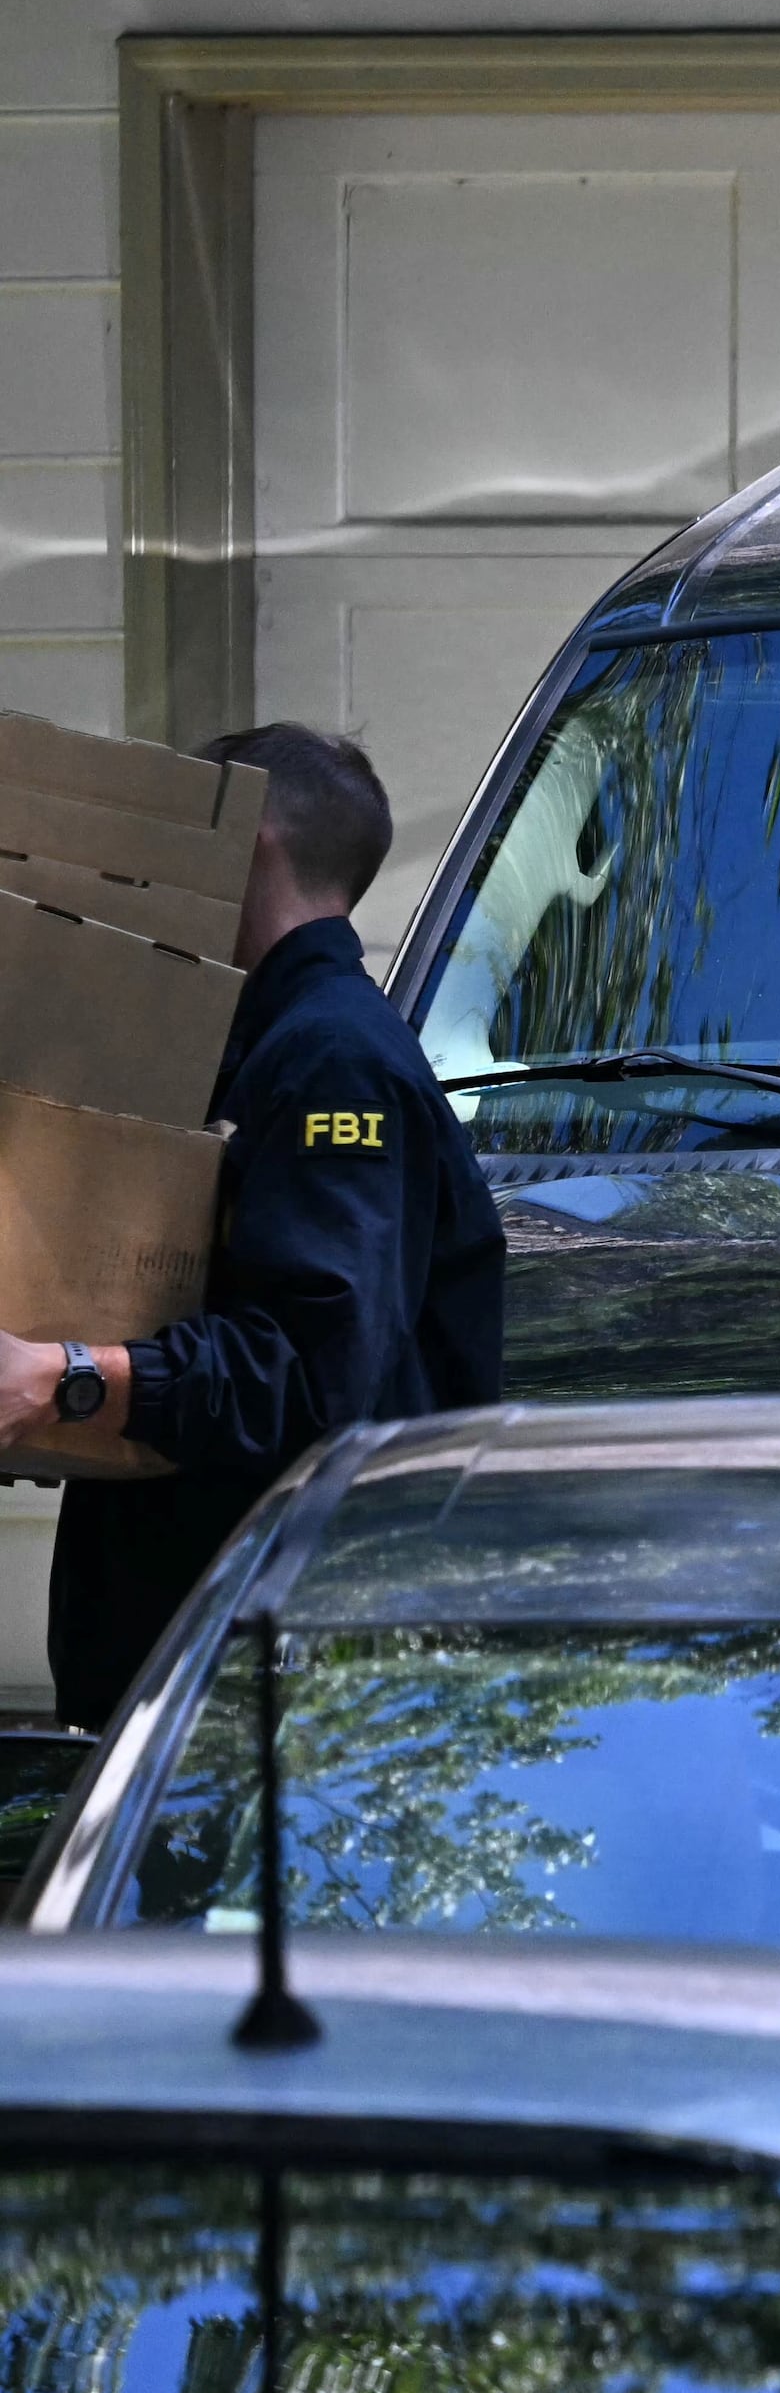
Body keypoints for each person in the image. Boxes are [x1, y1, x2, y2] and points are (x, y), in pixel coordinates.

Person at [0, 724, 502, 1728]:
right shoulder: (255, 1046)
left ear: (249, 840)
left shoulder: (331, 1061)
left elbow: (317, 1376)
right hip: (214, 1670)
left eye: (186, 829)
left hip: (283, 1690)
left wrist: (69, 1377)